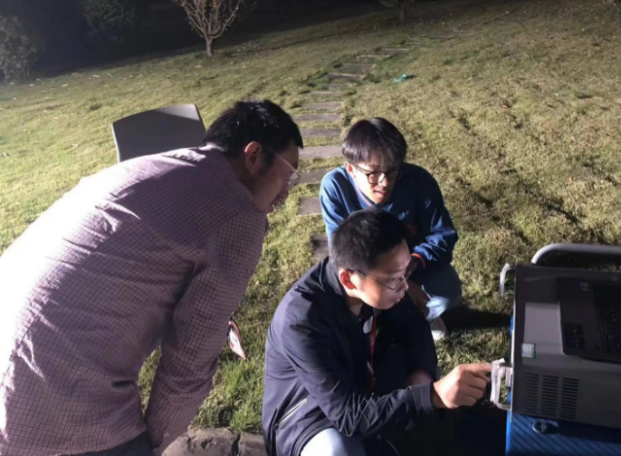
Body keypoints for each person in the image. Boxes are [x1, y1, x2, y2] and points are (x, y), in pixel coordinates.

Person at [0, 100, 303, 456]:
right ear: (253, 156)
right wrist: (152, 445)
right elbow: (189, 363)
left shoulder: (156, 166)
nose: (287, 191)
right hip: (47, 401)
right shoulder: (239, 213)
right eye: (288, 173)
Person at [262, 209, 491, 456]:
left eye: (405, 273)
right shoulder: (301, 322)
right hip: (309, 414)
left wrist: (421, 373)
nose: (405, 286)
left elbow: (415, 326)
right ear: (348, 280)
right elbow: (348, 416)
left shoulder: (376, 280)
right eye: (394, 279)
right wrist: (432, 395)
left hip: (361, 380)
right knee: (337, 451)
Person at [319, 118, 460, 340]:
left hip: (412, 266)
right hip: (366, 270)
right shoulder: (334, 187)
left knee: (446, 293)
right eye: (373, 173)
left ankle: (417, 315)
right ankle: (379, 319)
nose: (384, 182)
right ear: (351, 169)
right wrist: (395, 285)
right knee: (335, 298)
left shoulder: (420, 181)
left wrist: (408, 272)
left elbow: (443, 235)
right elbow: (341, 253)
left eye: (393, 170)